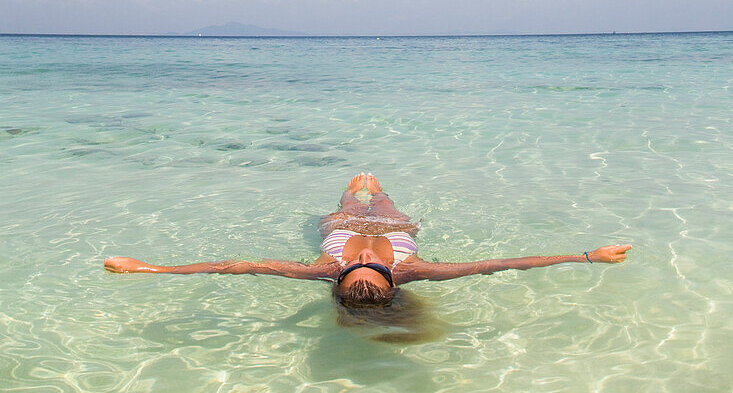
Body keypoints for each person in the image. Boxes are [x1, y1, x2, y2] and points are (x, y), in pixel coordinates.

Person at [104, 173, 632, 305]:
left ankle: (352, 186)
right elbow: (501, 264)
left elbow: (234, 266)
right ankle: (372, 187)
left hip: (335, 225)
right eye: (365, 264)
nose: (358, 258)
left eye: (351, 265)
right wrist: (586, 255)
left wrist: (148, 269)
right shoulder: (414, 268)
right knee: (381, 199)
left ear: (339, 276)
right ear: (385, 275)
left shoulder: (320, 268)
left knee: (342, 206)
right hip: (398, 230)